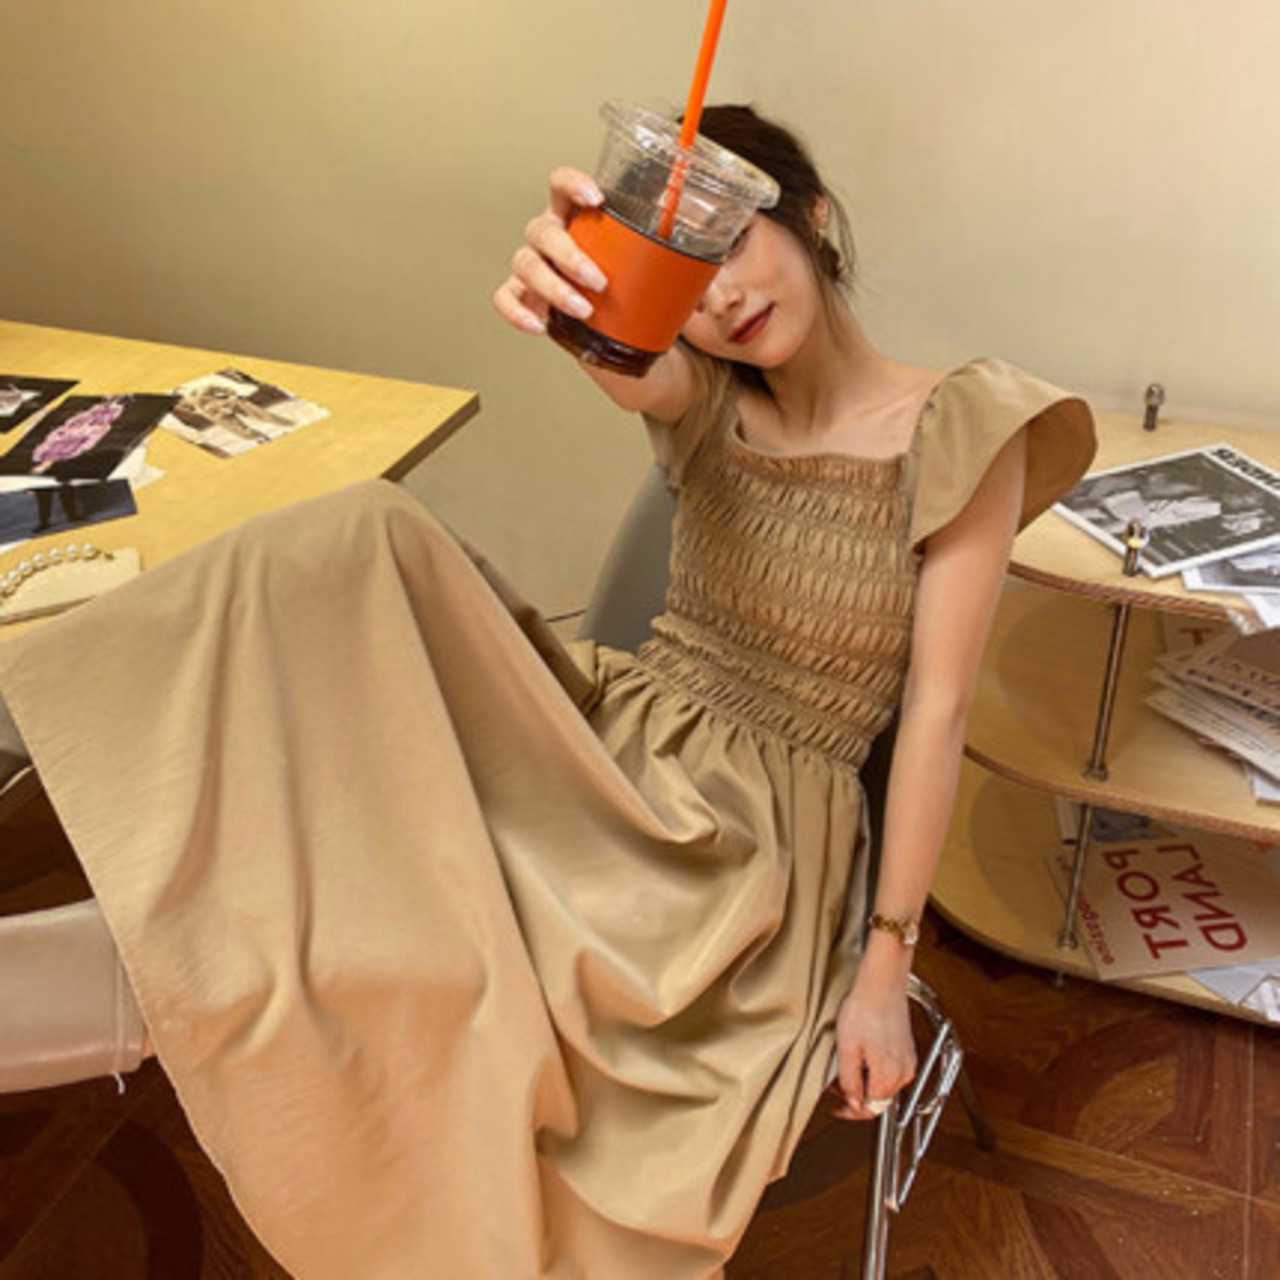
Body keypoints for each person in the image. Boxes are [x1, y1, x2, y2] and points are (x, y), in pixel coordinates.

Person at [0, 105, 1096, 1278]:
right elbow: (622, 357)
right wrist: (569, 286)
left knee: (342, 933)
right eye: (683, 276)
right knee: (364, 547)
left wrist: (882, 966)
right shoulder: (701, 395)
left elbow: (933, 712)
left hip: (736, 850)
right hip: (592, 739)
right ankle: (48, 725)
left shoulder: (960, 425)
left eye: (730, 241)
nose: (721, 296)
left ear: (810, 216)